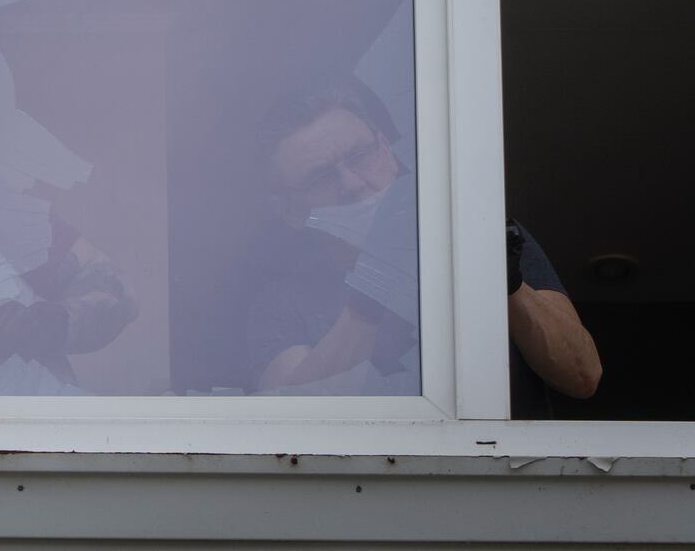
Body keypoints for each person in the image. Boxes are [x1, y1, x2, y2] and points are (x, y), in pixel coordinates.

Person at [249, 84, 601, 412]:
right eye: (321, 176)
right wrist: (375, 283)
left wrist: (506, 282)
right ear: (290, 210)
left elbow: (582, 375)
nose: (352, 183)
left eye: (359, 155)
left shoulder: (476, 230)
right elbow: (290, 418)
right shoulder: (280, 300)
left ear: (386, 151)